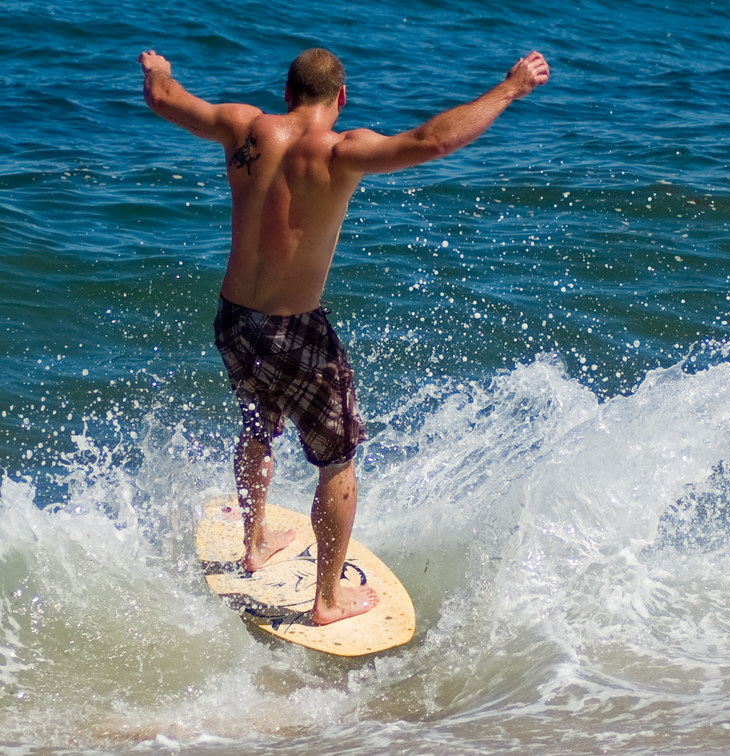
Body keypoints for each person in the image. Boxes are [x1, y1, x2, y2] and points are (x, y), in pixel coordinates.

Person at [138, 46, 550, 625]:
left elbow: (162, 98)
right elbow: (433, 141)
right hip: (296, 329)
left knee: (258, 424)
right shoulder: (340, 151)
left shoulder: (240, 128)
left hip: (234, 316)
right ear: (341, 99)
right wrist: (509, 89)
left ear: (285, 93)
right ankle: (327, 602)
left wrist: (158, 66)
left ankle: (254, 543)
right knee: (337, 462)